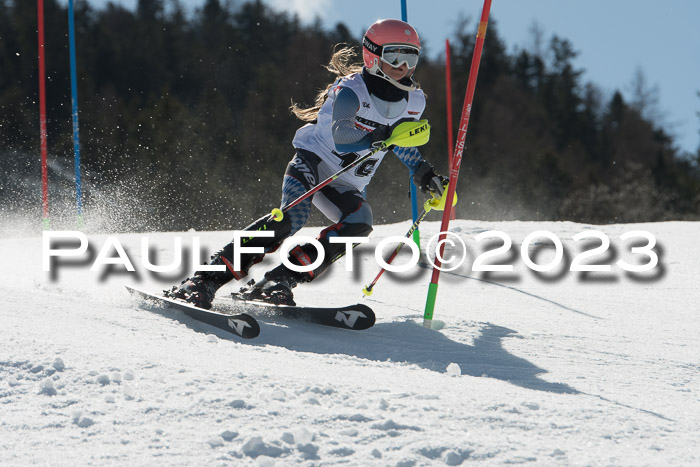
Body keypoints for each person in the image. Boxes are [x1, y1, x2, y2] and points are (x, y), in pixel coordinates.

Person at [167, 18, 447, 309]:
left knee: (359, 224)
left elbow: (400, 142)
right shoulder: (353, 91)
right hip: (313, 162)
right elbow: (343, 137)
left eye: (410, 56)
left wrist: (425, 174)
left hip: (346, 182)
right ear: (372, 55)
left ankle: (278, 280)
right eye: (394, 55)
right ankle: (203, 280)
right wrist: (384, 135)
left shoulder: (415, 101)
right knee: (292, 219)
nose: (403, 66)